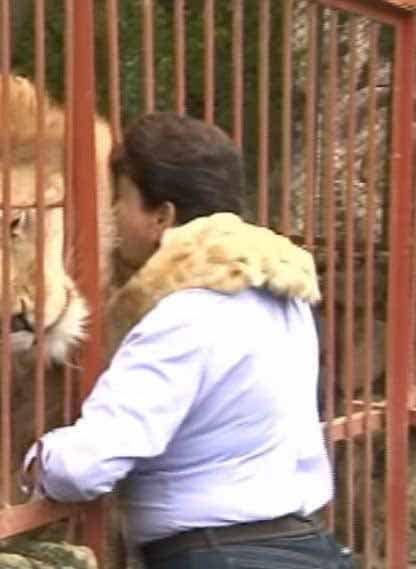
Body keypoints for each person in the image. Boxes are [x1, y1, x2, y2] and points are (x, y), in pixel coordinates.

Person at [20, 112, 354, 569]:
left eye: (120, 200)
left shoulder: (183, 316)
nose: (114, 217)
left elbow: (86, 467)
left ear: (162, 216)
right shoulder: (285, 295)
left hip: (221, 556)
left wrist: (40, 462)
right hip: (308, 546)